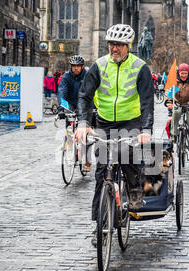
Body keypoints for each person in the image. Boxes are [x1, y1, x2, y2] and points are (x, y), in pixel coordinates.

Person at [75, 24, 154, 246]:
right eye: (111, 44)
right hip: (105, 121)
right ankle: (98, 227)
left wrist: (146, 130)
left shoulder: (140, 67)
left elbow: (147, 101)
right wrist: (83, 122)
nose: (114, 48)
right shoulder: (99, 66)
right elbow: (84, 96)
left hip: (130, 120)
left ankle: (135, 191)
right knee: (101, 173)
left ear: (128, 46)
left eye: (119, 45)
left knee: (127, 156)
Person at [57, 55, 93, 172]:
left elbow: (92, 91)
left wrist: (95, 108)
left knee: (86, 134)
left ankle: (87, 160)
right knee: (69, 127)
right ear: (71, 67)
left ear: (82, 67)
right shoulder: (66, 76)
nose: (76, 68)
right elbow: (62, 91)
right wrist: (61, 108)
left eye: (78, 66)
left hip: (85, 105)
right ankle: (70, 145)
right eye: (74, 66)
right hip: (71, 104)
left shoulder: (87, 76)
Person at [164, 63, 189, 161]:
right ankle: (174, 135)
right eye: (182, 73)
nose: (183, 75)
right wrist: (169, 101)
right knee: (175, 113)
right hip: (177, 102)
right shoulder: (175, 80)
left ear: (188, 73)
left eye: (185, 73)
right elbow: (169, 91)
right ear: (178, 73)